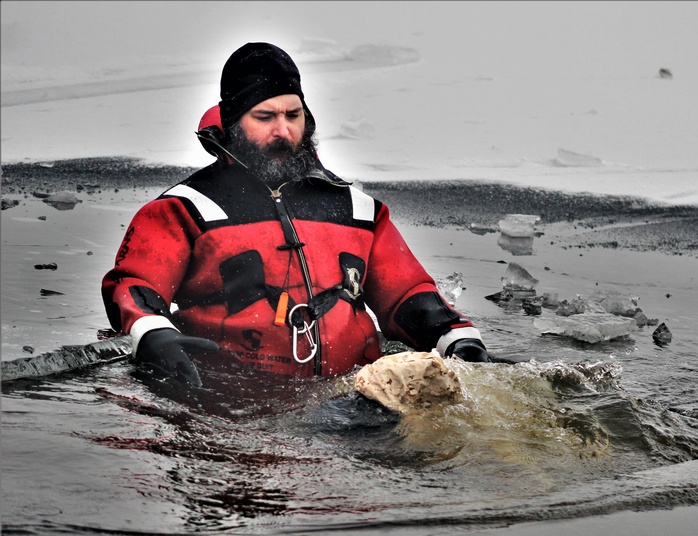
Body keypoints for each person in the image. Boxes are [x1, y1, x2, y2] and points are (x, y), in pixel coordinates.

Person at [102, 42, 489, 387]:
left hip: (351, 400)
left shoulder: (356, 209)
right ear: (234, 122)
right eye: (265, 117)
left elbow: (406, 292)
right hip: (225, 401)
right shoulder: (183, 209)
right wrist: (152, 334)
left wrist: (454, 336)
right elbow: (134, 285)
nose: (283, 131)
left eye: (293, 115)